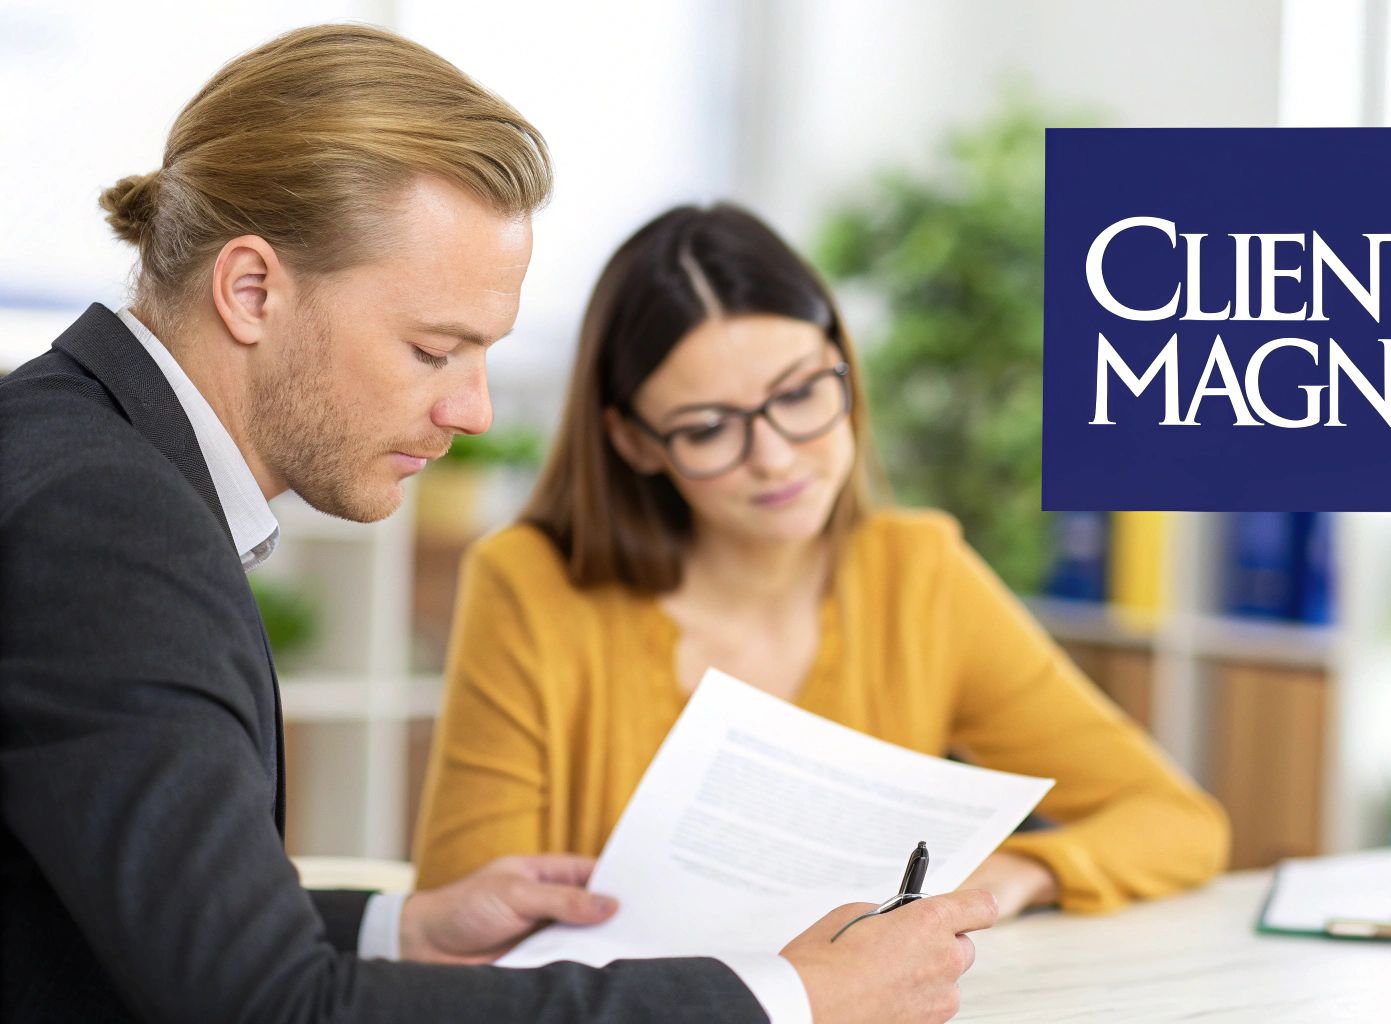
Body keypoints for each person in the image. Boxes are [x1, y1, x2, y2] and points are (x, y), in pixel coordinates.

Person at [0, 24, 993, 1024]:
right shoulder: (109, 523)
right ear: (251, 290)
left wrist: (400, 928)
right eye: (435, 350)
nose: (472, 410)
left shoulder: (71, 453)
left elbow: (119, 923)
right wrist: (789, 995)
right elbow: (272, 1009)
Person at [411, 203, 1230, 917]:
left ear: (844, 365)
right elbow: (464, 915)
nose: (774, 459)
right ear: (634, 441)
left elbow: (1176, 821)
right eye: (708, 428)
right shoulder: (530, 584)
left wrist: (1018, 874)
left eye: (801, 393)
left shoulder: (914, 574)